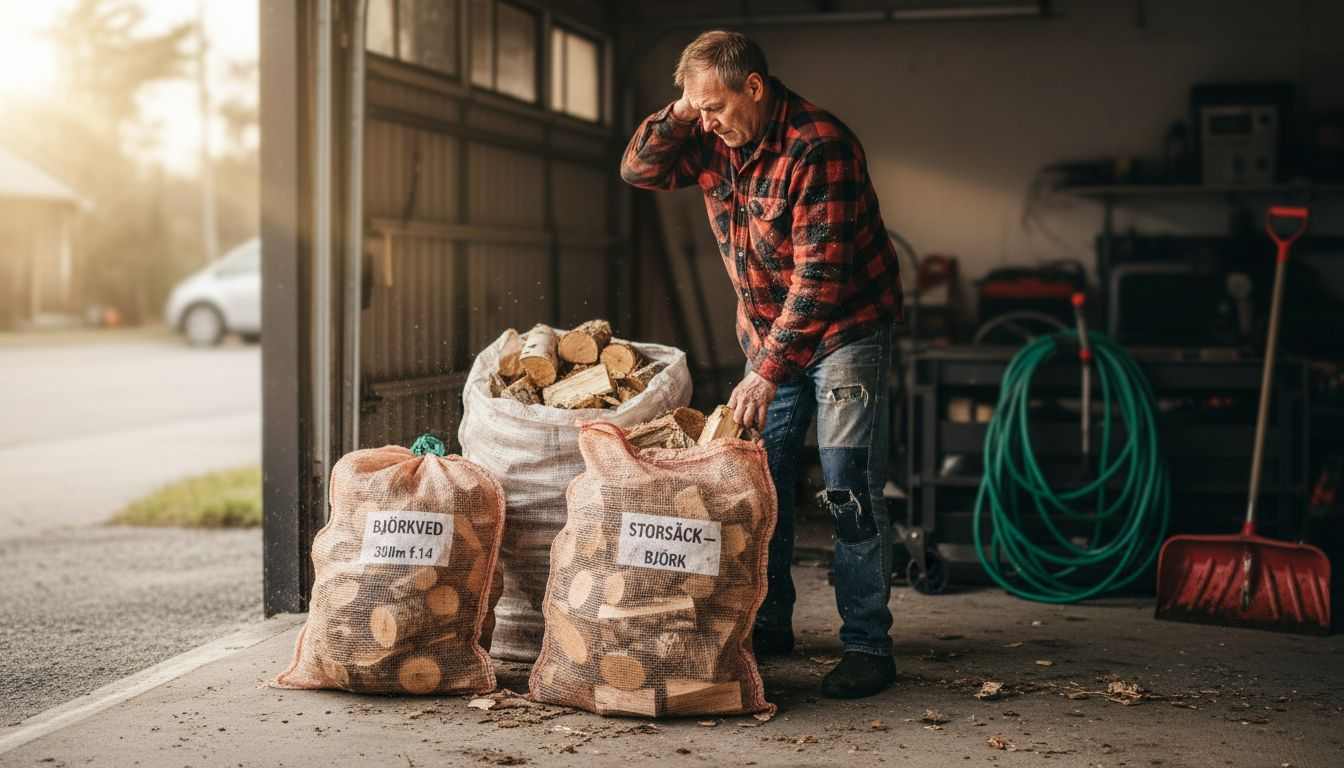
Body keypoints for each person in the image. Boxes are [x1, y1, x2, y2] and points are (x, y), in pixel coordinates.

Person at [620, 30, 904, 699]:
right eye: (699, 112)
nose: (709, 123)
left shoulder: (818, 145)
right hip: (767, 334)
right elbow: (639, 169)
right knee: (759, 487)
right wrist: (683, 112)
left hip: (843, 331)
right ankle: (768, 624)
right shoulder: (713, 135)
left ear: (755, 87)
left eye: (715, 105)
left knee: (846, 486)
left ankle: (868, 646)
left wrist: (767, 371)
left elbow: (820, 280)